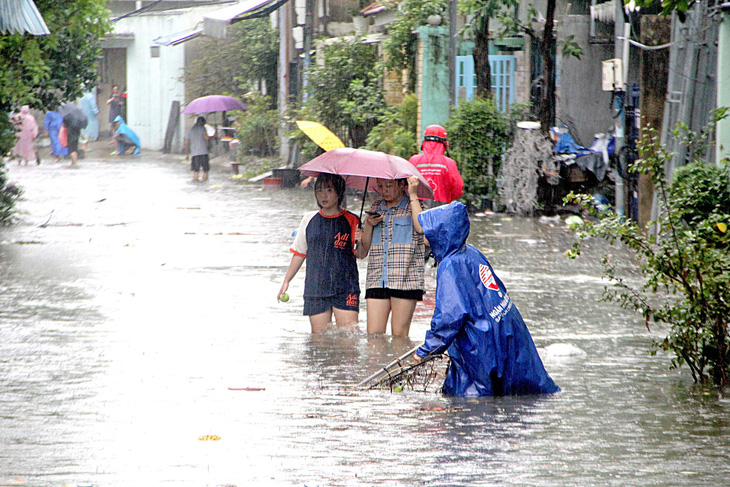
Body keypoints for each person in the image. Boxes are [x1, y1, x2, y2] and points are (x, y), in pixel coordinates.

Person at [413, 201, 560, 396]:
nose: (424, 235)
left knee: (475, 400)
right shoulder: (471, 252)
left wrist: (427, 350)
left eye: (428, 231)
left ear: (441, 233)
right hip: (505, 325)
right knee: (517, 390)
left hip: (482, 338)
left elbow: (449, 316)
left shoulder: (450, 265)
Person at [278, 173, 361, 333]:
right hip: (316, 287)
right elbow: (300, 253)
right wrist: (287, 280)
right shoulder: (309, 219)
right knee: (319, 341)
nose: (323, 195)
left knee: (349, 339)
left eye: (329, 190)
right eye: (319, 190)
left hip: (346, 286)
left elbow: (361, 254)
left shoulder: (352, 220)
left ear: (339, 192)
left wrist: (362, 239)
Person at [356, 176, 425, 337]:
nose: (384, 190)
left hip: (406, 279)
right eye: (380, 186)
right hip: (377, 277)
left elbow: (421, 228)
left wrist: (413, 194)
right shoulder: (375, 208)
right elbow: (362, 252)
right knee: (373, 336)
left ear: (402, 185)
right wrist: (367, 228)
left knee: (399, 335)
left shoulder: (415, 206)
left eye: (388, 185)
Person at [409, 125, 463, 207]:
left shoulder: (414, 160)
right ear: (444, 144)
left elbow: (404, 184)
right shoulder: (449, 163)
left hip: (416, 207)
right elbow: (457, 189)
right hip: (442, 208)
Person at [184, 116, 210, 182]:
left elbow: (186, 142)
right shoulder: (202, 128)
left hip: (194, 154)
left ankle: (196, 183)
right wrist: (213, 136)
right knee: (205, 170)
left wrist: (187, 154)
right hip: (203, 152)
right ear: (202, 122)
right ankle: (205, 182)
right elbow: (207, 138)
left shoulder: (190, 130)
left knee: (196, 171)